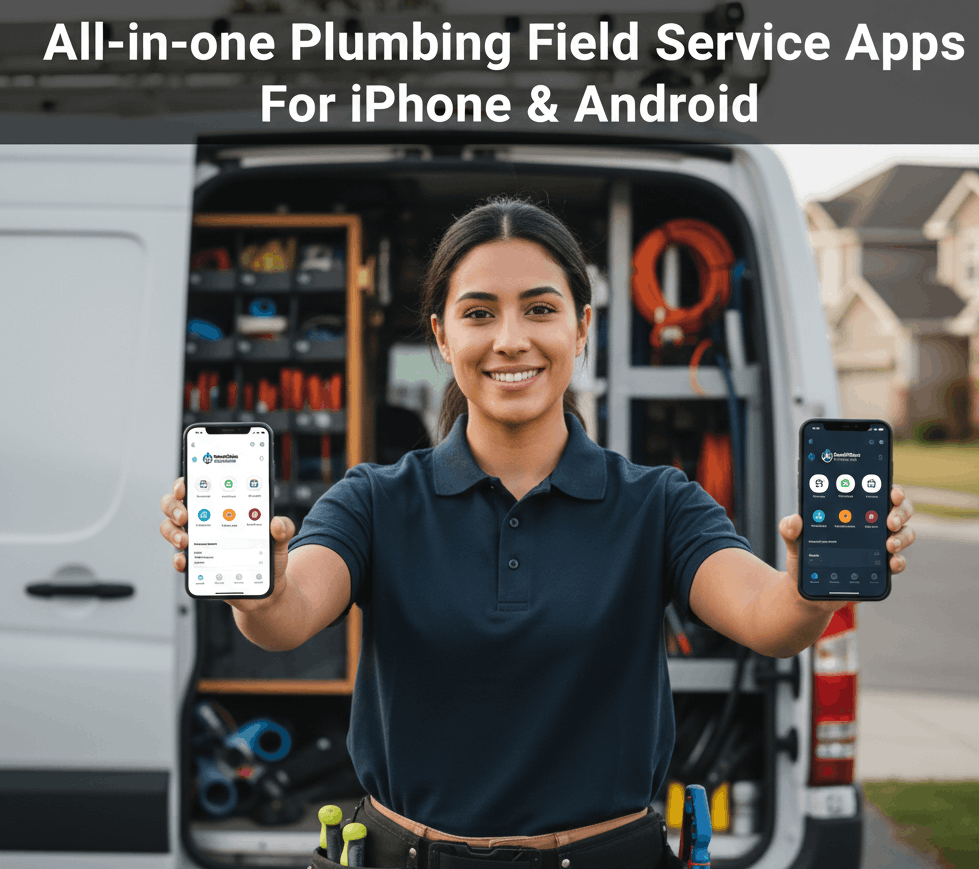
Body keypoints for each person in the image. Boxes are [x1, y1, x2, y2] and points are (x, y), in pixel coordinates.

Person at [160, 197, 916, 869]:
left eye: (541, 308)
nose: (510, 339)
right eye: (479, 311)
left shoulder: (658, 502)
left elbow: (768, 619)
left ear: (581, 328)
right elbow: (285, 620)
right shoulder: (373, 500)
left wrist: (810, 581)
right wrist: (254, 579)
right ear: (442, 335)